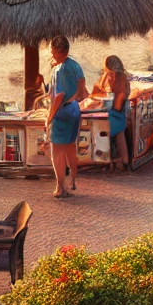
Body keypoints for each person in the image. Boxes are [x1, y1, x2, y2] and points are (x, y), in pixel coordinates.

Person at [46, 35, 86, 199]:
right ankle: (73, 181)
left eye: (52, 50)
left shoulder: (60, 70)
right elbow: (82, 90)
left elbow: (58, 96)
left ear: (56, 51)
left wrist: (49, 117)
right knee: (70, 148)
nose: (50, 52)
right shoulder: (75, 66)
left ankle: (60, 188)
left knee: (57, 151)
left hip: (62, 111)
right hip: (74, 109)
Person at [99, 55, 133, 172]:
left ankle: (104, 159)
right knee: (118, 133)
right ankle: (122, 161)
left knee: (99, 128)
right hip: (120, 115)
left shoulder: (119, 78)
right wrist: (105, 75)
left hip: (118, 115)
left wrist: (111, 110)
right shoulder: (118, 76)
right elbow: (101, 88)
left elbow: (119, 100)